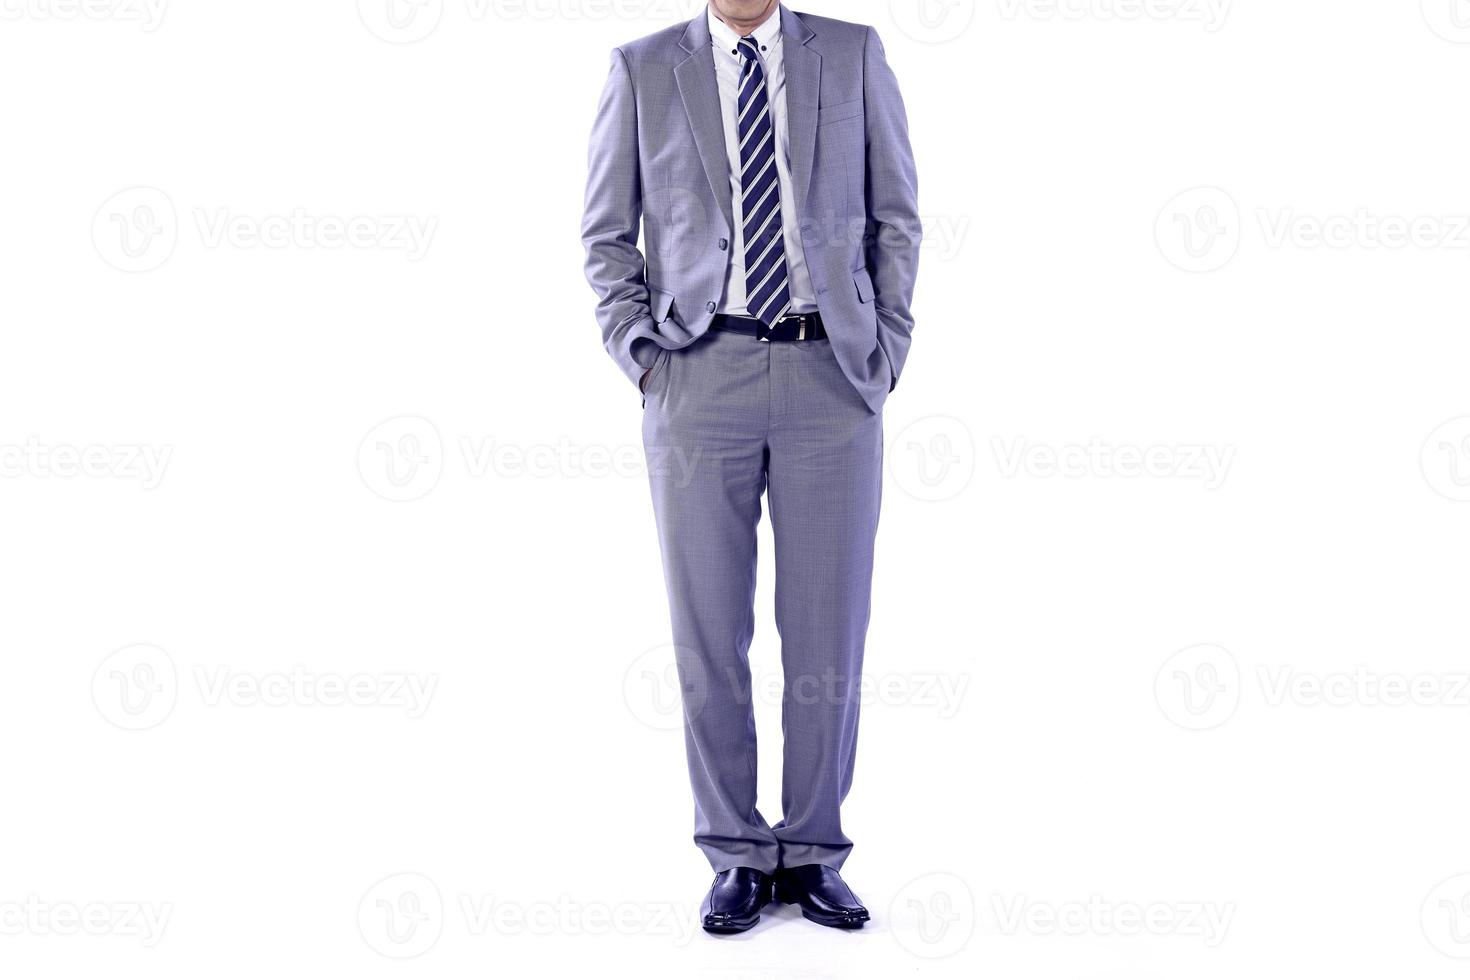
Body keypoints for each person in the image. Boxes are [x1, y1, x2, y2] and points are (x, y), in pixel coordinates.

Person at [582, 0, 920, 934]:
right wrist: (642, 355)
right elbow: (607, 235)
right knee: (707, 633)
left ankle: (812, 849)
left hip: (833, 378)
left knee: (827, 634)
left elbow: (896, 213)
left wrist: (884, 351)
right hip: (699, 376)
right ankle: (733, 851)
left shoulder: (852, 53)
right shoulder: (641, 66)